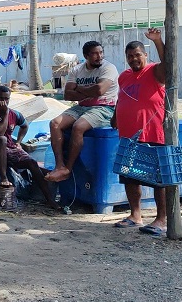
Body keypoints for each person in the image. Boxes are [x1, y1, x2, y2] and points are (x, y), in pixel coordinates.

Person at [112, 29, 169, 236]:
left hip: (153, 133)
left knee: (157, 179)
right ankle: (135, 215)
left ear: (145, 55)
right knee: (129, 177)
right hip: (128, 136)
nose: (134, 59)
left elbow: (168, 63)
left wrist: (157, 41)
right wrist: (115, 117)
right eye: (130, 56)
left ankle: (161, 219)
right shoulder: (124, 76)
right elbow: (122, 97)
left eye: (137, 55)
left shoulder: (155, 71)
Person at [46, 41, 119, 183]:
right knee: (54, 124)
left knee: (78, 127)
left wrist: (78, 88)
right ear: (86, 56)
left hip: (104, 107)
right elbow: (67, 95)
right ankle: (59, 166)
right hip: (82, 107)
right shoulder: (77, 69)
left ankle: (68, 168)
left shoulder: (109, 68)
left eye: (101, 53)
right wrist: (89, 91)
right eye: (95, 54)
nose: (99, 56)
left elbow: (99, 91)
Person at [0, 86, 59, 209]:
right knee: (2, 139)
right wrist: (4, 114)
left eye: (6, 99)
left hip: (9, 148)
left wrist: (19, 142)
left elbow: (24, 126)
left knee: (32, 162)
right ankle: (4, 178)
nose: (4, 102)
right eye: (0, 99)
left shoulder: (15, 114)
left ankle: (50, 199)